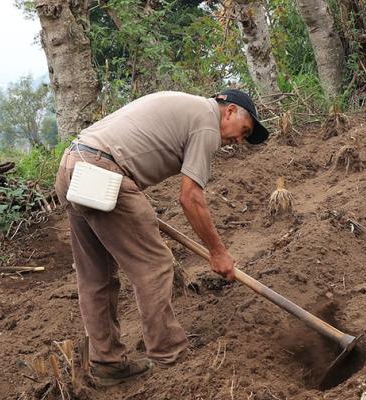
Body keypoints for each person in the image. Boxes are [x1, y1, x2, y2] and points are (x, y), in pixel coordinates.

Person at [54, 89, 269, 386]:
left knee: (95, 276)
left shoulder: (187, 107)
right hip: (102, 171)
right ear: (229, 111)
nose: (238, 141)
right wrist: (218, 252)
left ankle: (106, 363)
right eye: (243, 131)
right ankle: (169, 353)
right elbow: (190, 197)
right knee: (154, 265)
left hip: (73, 164)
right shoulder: (207, 121)